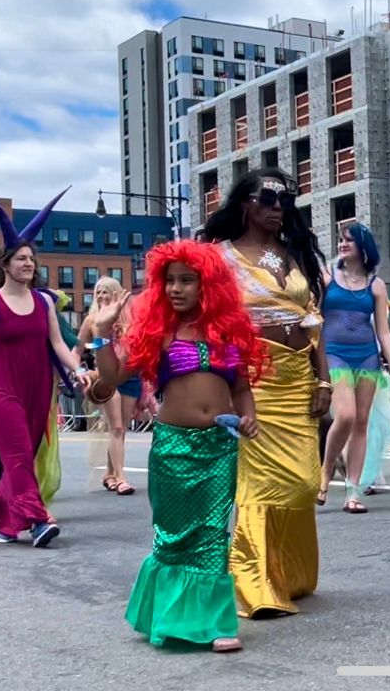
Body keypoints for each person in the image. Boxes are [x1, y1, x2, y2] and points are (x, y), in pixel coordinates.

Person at [94, 240, 266, 653]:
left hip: (219, 446)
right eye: (170, 281)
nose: (176, 288)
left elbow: (241, 387)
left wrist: (249, 415)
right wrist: (101, 334)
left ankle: (215, 623)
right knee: (173, 536)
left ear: (209, 286)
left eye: (187, 280)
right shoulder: (159, 333)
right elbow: (114, 378)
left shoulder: (227, 333)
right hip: (172, 448)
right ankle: (169, 615)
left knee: (211, 534)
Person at [203, 168, 331, 618]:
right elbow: (207, 325)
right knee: (258, 482)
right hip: (252, 383)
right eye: (268, 197)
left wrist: (324, 379)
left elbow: (314, 318)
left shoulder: (294, 254)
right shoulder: (220, 258)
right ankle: (253, 583)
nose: (278, 206)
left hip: (298, 380)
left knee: (300, 482)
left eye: (285, 199)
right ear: (245, 205)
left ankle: (289, 573)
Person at [0, 190, 88, 545]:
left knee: (23, 455)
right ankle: (38, 519)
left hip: (38, 389)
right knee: (17, 456)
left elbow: (58, 344)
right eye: (20, 259)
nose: (28, 264)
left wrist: (77, 369)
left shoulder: (45, 301)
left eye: (31, 258)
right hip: (1, 389)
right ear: (5, 265)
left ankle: (1, 523)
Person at [319, 221, 390, 513]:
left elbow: (383, 332)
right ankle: (326, 470)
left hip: (367, 358)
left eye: (348, 241)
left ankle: (352, 493)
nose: (342, 244)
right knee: (345, 415)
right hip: (334, 355)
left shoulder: (376, 284)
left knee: (361, 423)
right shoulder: (327, 278)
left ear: (362, 247)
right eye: (340, 240)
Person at [77, 276, 141, 495]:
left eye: (106, 291)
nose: (102, 296)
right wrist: (80, 373)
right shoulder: (92, 320)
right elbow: (78, 350)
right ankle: (121, 478)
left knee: (121, 429)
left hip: (130, 376)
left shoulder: (130, 320)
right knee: (116, 427)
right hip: (105, 377)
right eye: (98, 292)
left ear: (116, 294)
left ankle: (109, 473)